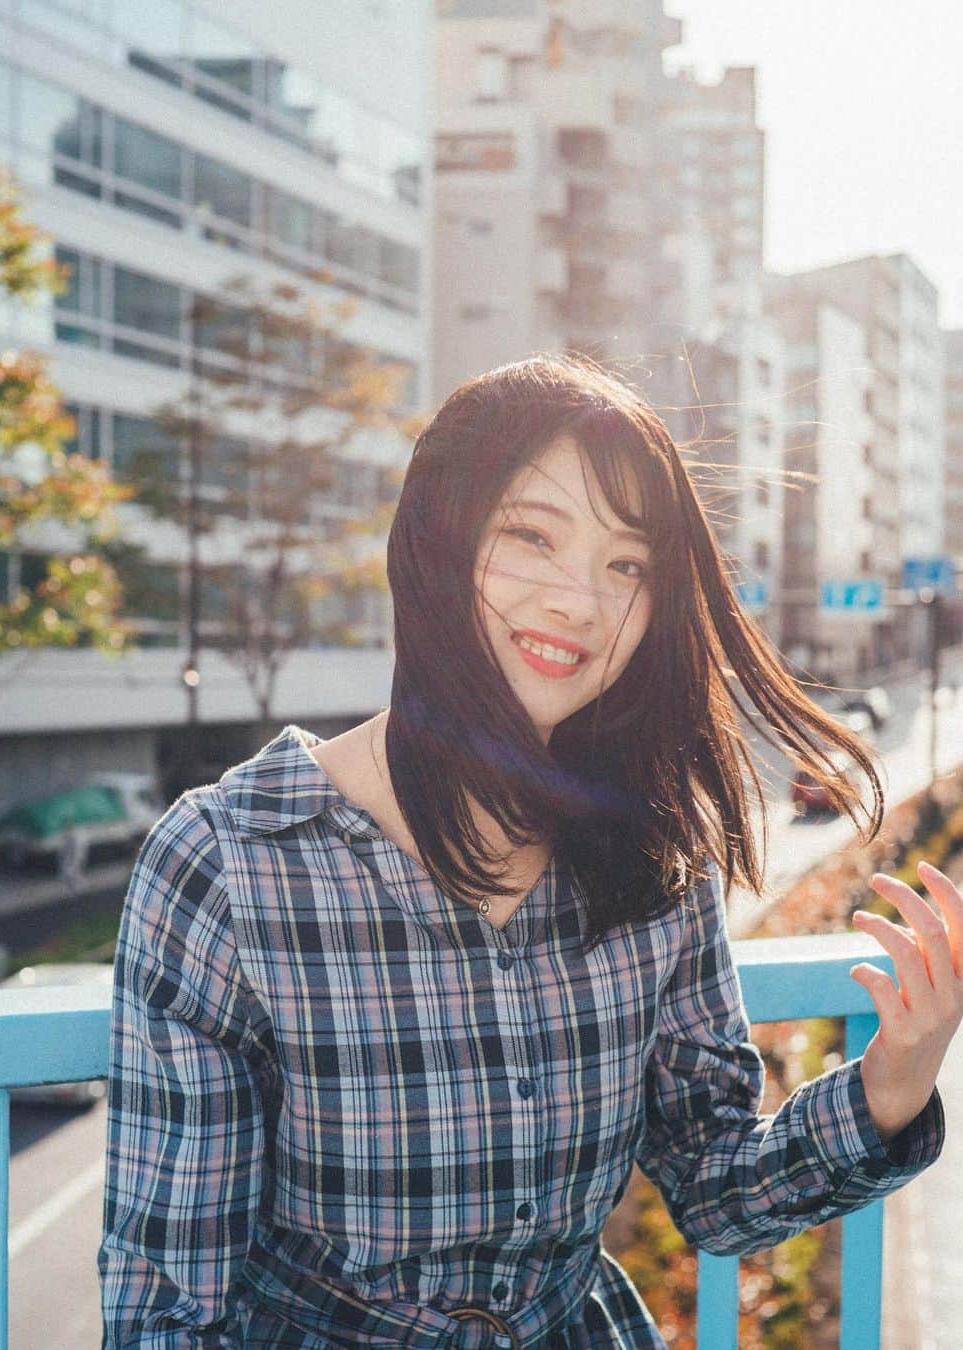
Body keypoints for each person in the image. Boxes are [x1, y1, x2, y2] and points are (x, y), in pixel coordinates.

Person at [99, 354, 958, 1347]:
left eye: (626, 565)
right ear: (437, 540)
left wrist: (893, 1082)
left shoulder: (650, 850)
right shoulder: (229, 862)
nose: (579, 603)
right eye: (532, 536)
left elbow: (717, 1189)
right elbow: (170, 1306)